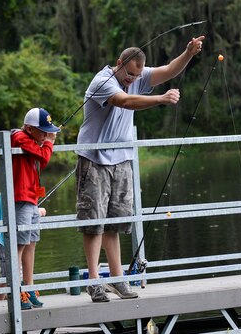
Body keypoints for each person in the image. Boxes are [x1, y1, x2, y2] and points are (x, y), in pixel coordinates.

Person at [76, 36, 205, 302]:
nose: (132, 80)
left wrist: (188, 53)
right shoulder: (103, 81)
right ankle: (94, 281)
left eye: (137, 75)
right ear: (119, 63)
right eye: (129, 74)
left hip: (121, 159)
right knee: (94, 224)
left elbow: (168, 70)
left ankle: (117, 279)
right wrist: (160, 99)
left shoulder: (137, 76)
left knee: (116, 222)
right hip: (94, 159)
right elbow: (125, 101)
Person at [0, 107, 60, 307]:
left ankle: (29, 288)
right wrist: (49, 143)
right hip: (19, 199)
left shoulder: (32, 141)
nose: (46, 135)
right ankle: (16, 291)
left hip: (30, 199)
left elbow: (40, 162)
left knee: (31, 244)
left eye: (48, 131)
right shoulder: (19, 137)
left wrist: (45, 142)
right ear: (29, 128)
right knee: (19, 246)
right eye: (43, 131)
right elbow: (44, 157)